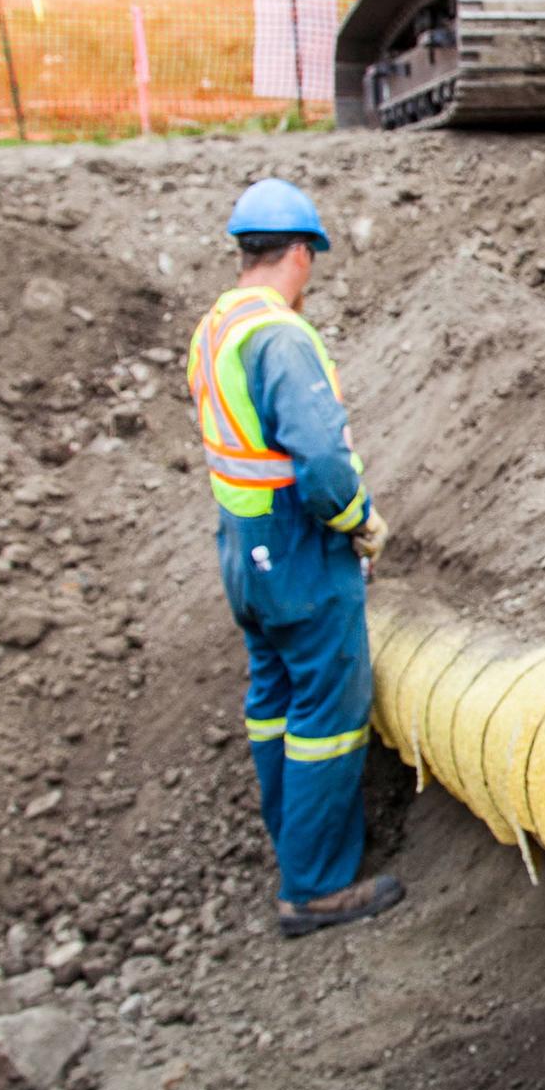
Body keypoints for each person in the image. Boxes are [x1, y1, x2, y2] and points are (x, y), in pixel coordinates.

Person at [189, 179, 404, 938]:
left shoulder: (218, 324)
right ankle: (314, 886)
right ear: (302, 254)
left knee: (275, 701)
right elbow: (317, 458)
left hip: (242, 551)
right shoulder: (279, 336)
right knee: (330, 712)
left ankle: (294, 847)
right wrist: (358, 521)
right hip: (299, 551)